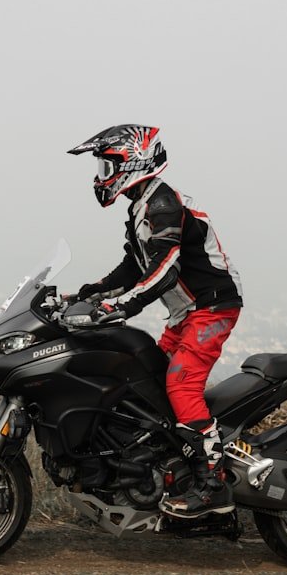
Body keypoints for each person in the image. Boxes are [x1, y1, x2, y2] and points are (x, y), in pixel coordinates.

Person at [67, 124, 244, 518]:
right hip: (187, 312)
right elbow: (134, 266)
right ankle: (163, 466)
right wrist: (90, 293)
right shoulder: (142, 205)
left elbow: (164, 270)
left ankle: (213, 484)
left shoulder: (162, 205)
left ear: (134, 162)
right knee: (144, 381)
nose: (101, 177)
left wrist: (120, 308)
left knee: (181, 385)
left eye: (107, 167)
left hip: (211, 309)